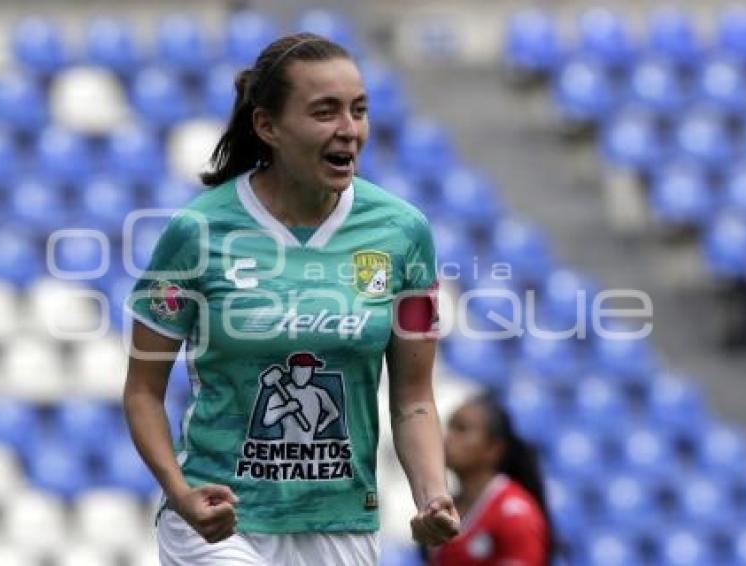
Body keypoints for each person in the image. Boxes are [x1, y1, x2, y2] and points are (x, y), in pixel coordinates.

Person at [122, 32, 459, 565]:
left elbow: (414, 398)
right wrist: (180, 494)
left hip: (341, 522)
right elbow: (143, 392)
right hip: (221, 518)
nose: (348, 130)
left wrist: (432, 494)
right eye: (325, 112)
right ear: (267, 126)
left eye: (359, 110)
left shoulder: (402, 232)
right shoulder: (198, 232)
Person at [429, 392, 553, 566]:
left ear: (494, 448)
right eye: (450, 427)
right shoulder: (443, 509)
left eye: (461, 429)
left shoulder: (515, 514)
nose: (448, 438)